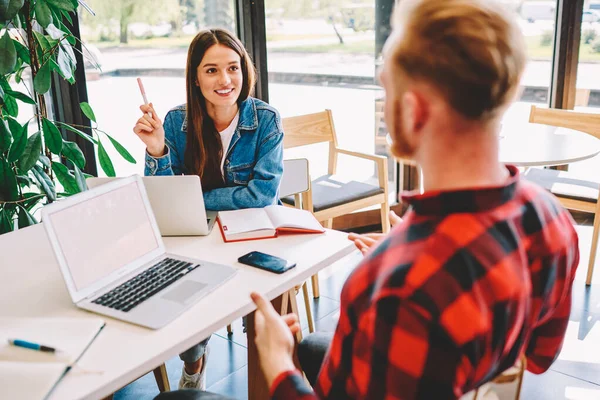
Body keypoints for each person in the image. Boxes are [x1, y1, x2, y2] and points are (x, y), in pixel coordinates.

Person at [249, 0, 580, 399]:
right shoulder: (550, 217)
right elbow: (540, 355)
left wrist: (278, 366)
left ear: (414, 108)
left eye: (385, 87)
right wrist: (403, 256)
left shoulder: (400, 290)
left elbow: (421, 290)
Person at [133, 28, 284, 390]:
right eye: (212, 70)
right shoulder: (174, 122)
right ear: (196, 78)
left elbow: (261, 195)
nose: (225, 79)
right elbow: (161, 195)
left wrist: (192, 198)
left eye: (233, 67)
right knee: (185, 291)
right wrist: (156, 150)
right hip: (195, 231)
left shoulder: (266, 120)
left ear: (245, 71)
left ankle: (268, 369)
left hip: (253, 231)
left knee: (258, 299)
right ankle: (194, 360)